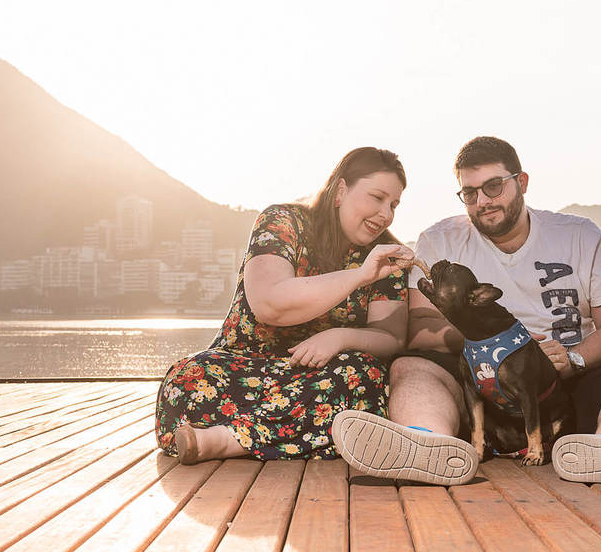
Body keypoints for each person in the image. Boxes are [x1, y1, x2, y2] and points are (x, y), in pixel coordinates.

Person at [333, 136, 601, 487]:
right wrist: (494, 344)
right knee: (411, 365)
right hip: (479, 388)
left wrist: (572, 359)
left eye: (493, 187)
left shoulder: (580, 235)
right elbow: (422, 327)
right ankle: (424, 443)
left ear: (521, 183)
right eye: (469, 193)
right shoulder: (440, 239)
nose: (482, 202)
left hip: (561, 387)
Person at [155, 147, 415, 463]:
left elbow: (391, 336)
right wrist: (360, 276)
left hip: (323, 379)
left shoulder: (387, 255)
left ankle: (225, 441)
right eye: (377, 198)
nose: (386, 214)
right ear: (341, 190)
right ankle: (299, 434)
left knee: (363, 376)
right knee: (191, 376)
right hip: (243, 368)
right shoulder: (282, 222)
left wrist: (340, 338)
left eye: (394, 205)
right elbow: (270, 304)